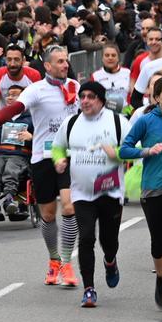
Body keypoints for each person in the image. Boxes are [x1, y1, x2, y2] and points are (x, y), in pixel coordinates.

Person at [0, 46, 80, 288]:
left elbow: (88, 113)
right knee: (49, 215)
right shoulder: (36, 90)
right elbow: (16, 108)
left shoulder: (75, 87)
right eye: (60, 61)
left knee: (69, 206)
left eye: (66, 61)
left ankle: (66, 262)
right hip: (43, 157)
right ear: (48, 66)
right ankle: (53, 259)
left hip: (69, 156)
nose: (65, 65)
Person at [107, 76, 162, 313]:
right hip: (152, 188)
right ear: (157, 98)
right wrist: (147, 151)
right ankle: (161, 278)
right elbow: (124, 149)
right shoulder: (145, 121)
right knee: (158, 243)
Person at [50, 82, 129, 308]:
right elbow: (57, 147)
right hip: (82, 193)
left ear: (101, 100)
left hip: (110, 191)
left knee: (109, 240)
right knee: (85, 238)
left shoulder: (116, 122)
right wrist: (59, 160)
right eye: (82, 96)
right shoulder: (71, 122)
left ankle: (110, 260)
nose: (85, 100)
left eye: (91, 97)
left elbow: (133, 148)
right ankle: (89, 289)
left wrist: (117, 154)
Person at [0, 84, 33, 217]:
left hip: (20, 154)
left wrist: (32, 138)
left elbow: (42, 141)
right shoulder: (0, 119)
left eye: (14, 94)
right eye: (8, 95)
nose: (10, 97)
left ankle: (9, 199)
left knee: (11, 168)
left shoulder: (32, 119)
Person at [89, 42, 131, 112]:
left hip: (126, 114)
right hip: (104, 116)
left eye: (113, 55)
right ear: (102, 58)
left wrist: (129, 112)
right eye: (107, 55)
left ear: (118, 58)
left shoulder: (127, 73)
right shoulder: (96, 76)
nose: (110, 58)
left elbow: (133, 97)